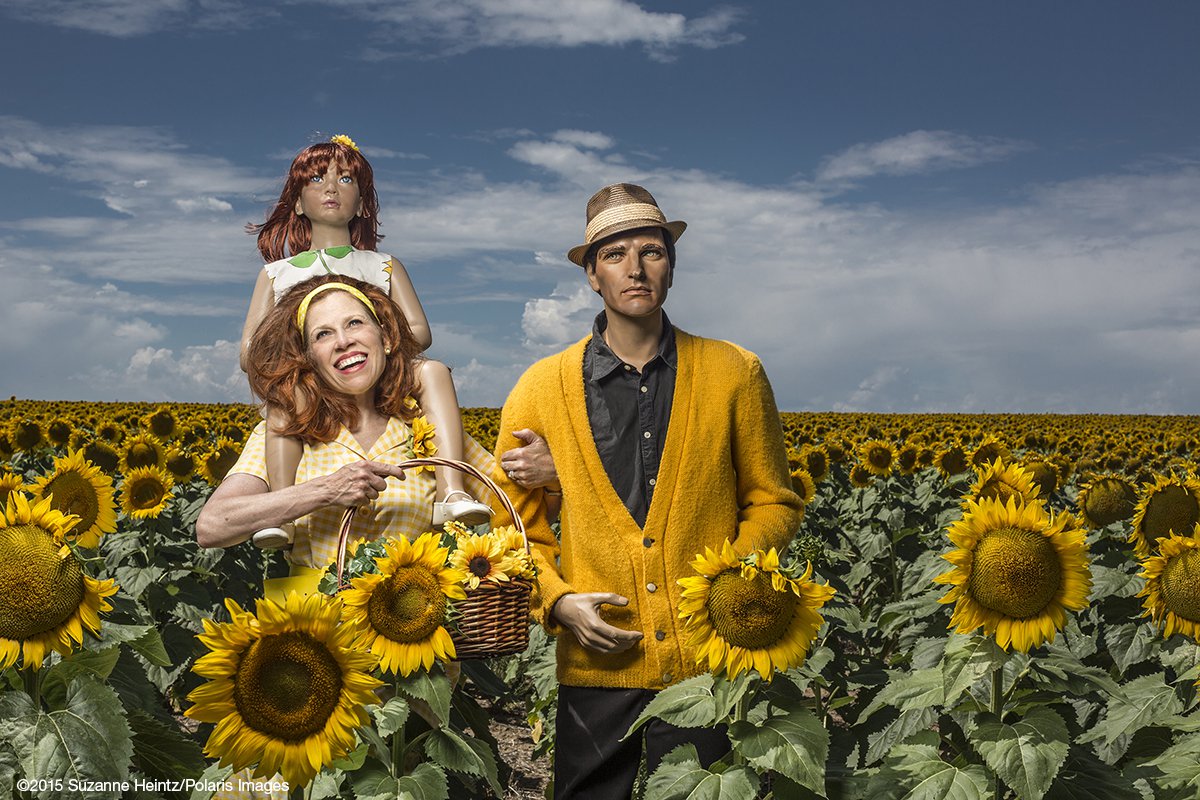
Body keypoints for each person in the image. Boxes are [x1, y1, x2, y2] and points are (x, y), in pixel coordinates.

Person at [492, 183, 803, 798]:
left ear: (672, 265)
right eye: (613, 254)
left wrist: (728, 584)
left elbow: (774, 500)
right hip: (597, 662)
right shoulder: (539, 387)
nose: (635, 268)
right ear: (591, 275)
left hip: (708, 663)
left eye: (652, 251)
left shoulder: (735, 372)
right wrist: (554, 601)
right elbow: (511, 527)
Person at [202, 274, 558, 595]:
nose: (343, 341)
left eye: (354, 323)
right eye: (323, 334)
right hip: (317, 640)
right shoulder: (286, 431)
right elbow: (212, 527)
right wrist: (325, 490)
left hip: (416, 635)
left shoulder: (431, 427)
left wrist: (551, 477)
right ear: (309, 357)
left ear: (385, 338)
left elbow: (519, 516)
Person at [239, 134, 489, 551]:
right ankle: (281, 509)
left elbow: (420, 332)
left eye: (346, 180)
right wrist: (296, 353)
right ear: (298, 202)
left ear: (362, 202)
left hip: (383, 377)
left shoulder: (383, 265)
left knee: (434, 372)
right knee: (285, 395)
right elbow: (250, 350)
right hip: (309, 380)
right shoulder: (276, 274)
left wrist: (384, 333)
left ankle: (450, 490)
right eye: (317, 179)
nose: (332, 188)